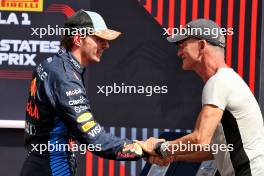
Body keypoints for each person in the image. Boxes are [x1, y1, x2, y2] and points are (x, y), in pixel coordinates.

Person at [21, 9, 162, 176]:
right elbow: (94, 138)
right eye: (99, 39)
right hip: (53, 167)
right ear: (78, 39)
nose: (106, 45)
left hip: (38, 163)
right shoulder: (65, 77)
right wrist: (141, 148)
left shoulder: (51, 65)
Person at [136, 19, 264, 176]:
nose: (178, 53)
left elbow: (199, 140)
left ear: (202, 46)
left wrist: (159, 148)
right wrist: (170, 154)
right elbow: (212, 150)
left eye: (182, 46)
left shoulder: (218, 82)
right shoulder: (225, 80)